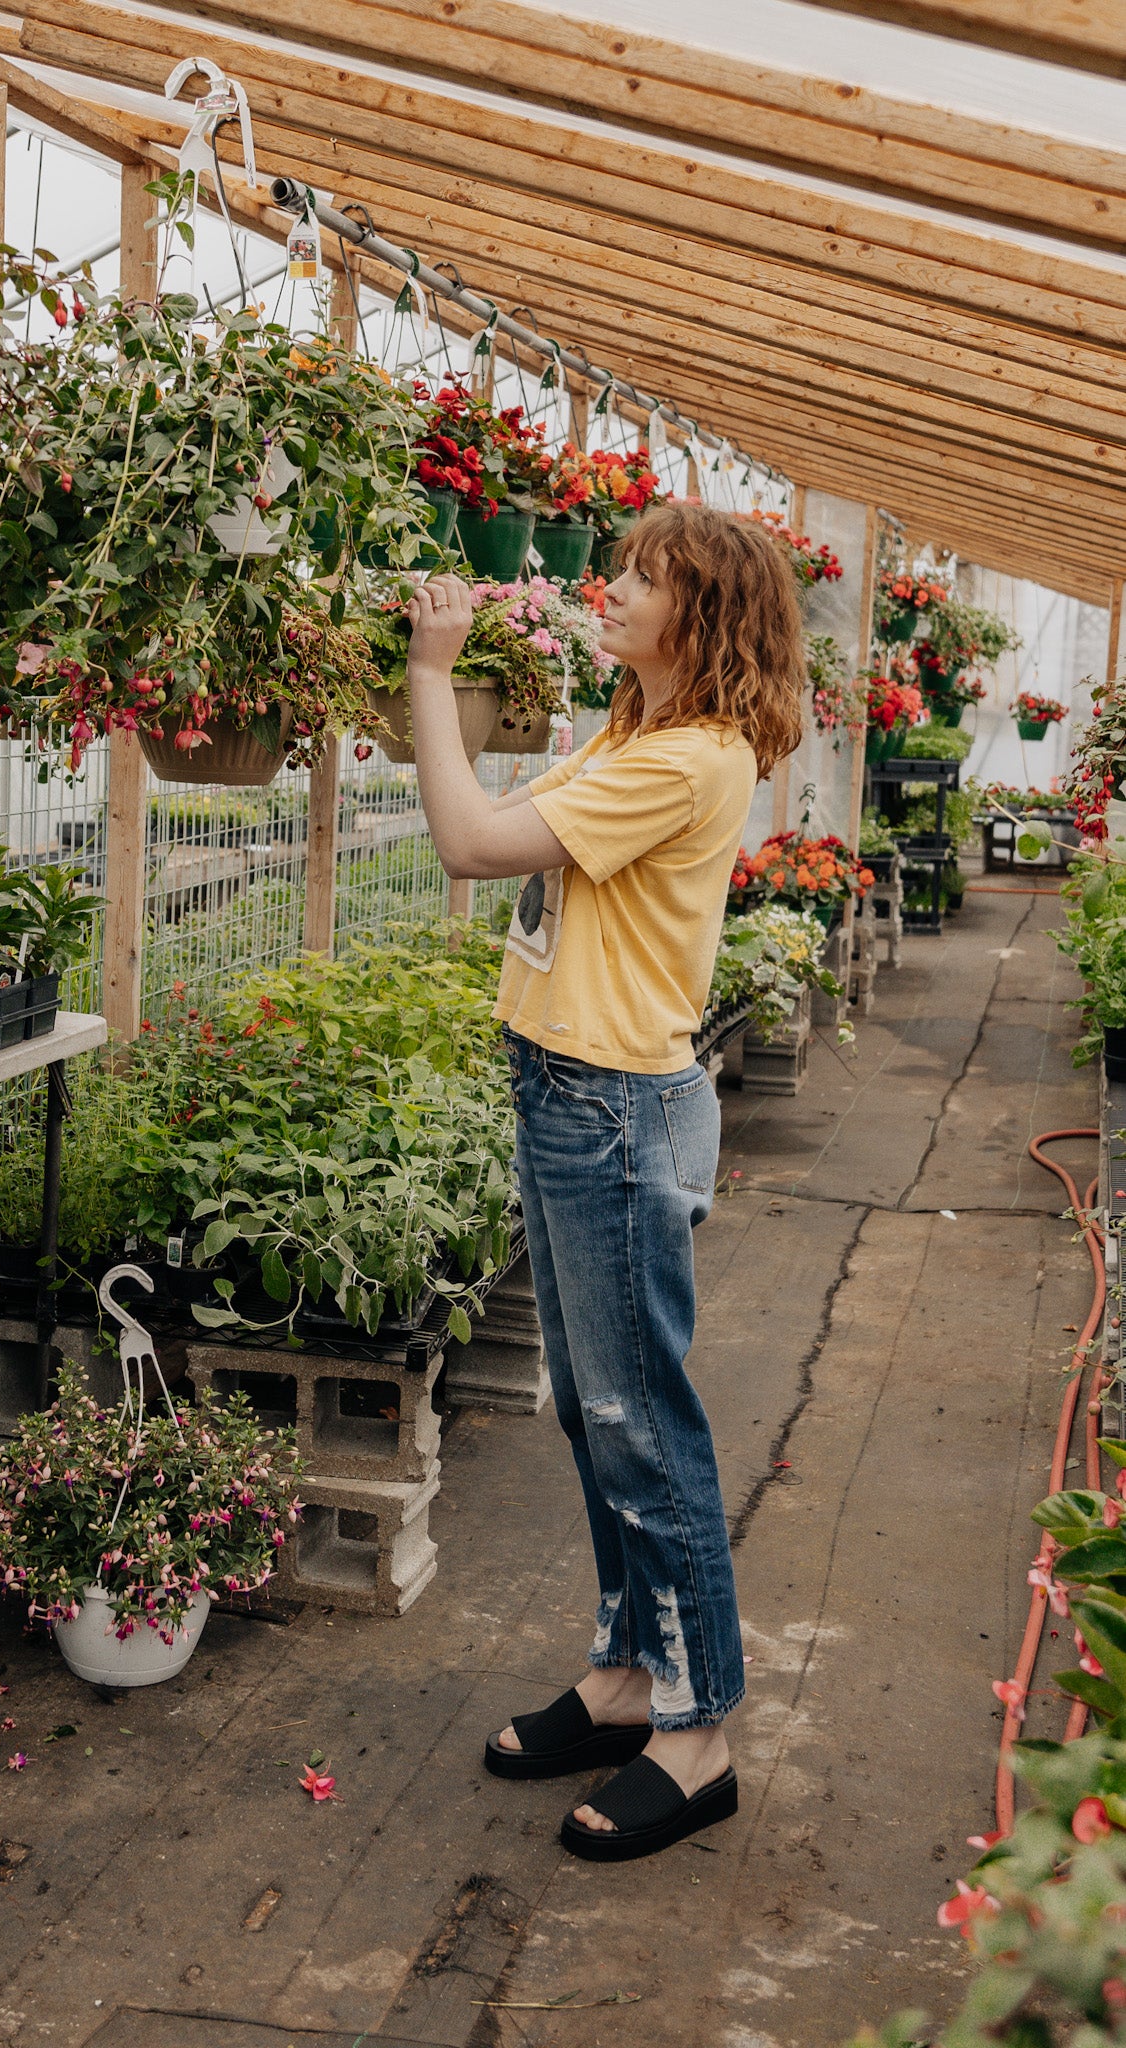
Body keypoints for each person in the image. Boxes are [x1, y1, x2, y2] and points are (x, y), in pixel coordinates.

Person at [405, 500, 805, 1863]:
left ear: (706, 619)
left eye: (643, 581)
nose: (608, 591)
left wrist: (427, 671)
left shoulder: (687, 755)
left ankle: (697, 1738)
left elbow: (470, 845)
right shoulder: (637, 732)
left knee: (644, 1423)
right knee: (595, 1408)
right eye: (615, 571)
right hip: (575, 1093)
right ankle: (628, 1674)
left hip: (612, 1111)